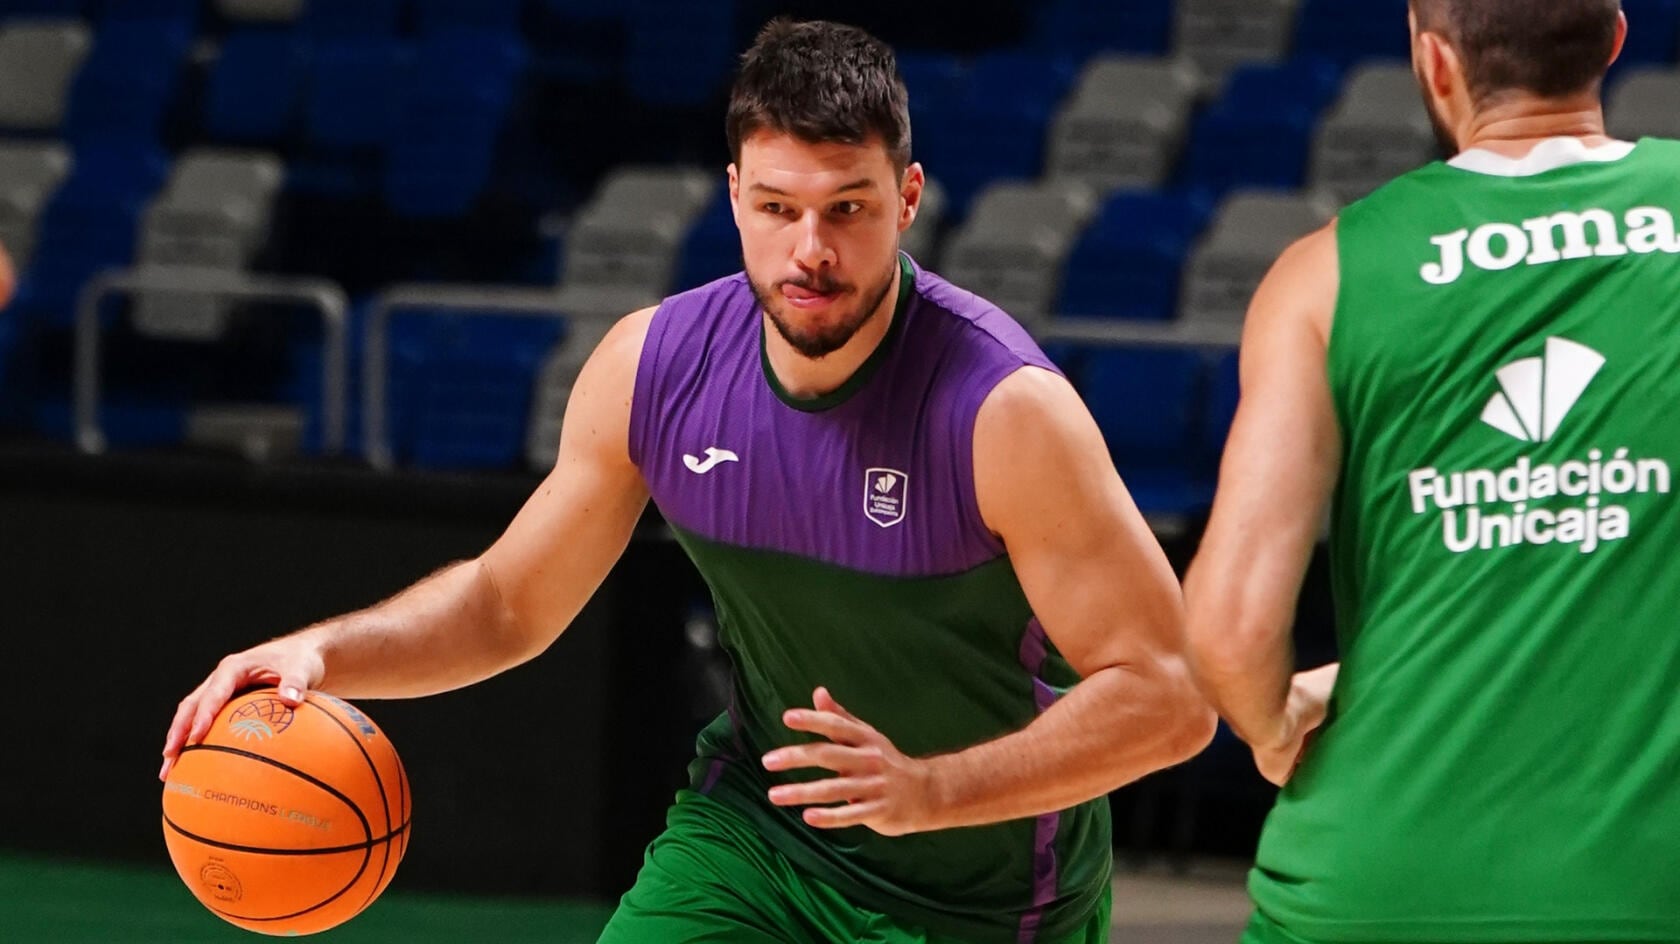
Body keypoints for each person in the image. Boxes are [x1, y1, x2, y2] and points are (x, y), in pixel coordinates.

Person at [160, 19, 1215, 943]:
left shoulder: (1004, 411)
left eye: (848, 208)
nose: (811, 249)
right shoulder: (654, 366)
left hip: (984, 897)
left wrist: (931, 789)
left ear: (907, 198)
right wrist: (322, 650)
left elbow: (1170, 698)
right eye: (777, 207)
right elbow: (507, 602)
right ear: (733, 198)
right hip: (755, 840)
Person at [1182, 1, 1680, 942]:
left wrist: (1276, 720)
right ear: (1614, 43)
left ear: (1435, 62)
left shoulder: (1324, 274)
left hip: (1370, 890)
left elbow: (1231, 628)